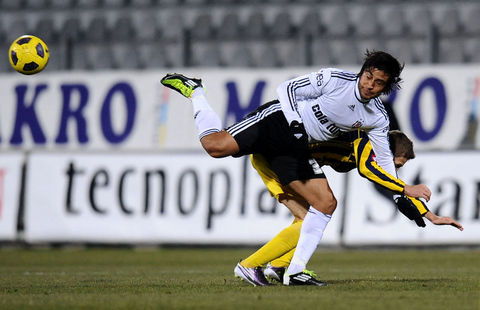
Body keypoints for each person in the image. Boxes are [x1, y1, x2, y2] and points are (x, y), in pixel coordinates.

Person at [160, 50, 432, 286]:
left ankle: (287, 269)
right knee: (215, 146)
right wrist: (294, 121)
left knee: (325, 204)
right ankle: (196, 91)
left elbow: (383, 162)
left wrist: (399, 198)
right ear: (362, 72)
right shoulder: (335, 79)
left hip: (297, 148)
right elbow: (287, 89)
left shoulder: (377, 117)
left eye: (378, 83)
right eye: (368, 76)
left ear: (385, 88)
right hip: (278, 122)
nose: (370, 85)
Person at [233, 130, 464, 286]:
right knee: (313, 217)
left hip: (281, 158)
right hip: (280, 158)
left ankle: (280, 266)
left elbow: (391, 183)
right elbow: (372, 172)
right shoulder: (364, 141)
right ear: (389, 152)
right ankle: (249, 265)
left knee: (307, 217)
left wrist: (431, 216)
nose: (393, 169)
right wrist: (407, 189)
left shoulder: (372, 149)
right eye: (396, 163)